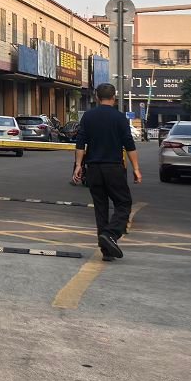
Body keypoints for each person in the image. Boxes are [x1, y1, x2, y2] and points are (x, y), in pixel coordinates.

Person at [72, 83, 142, 260]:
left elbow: (80, 143)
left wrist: (79, 165)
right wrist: (136, 169)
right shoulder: (119, 118)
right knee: (123, 203)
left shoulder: (88, 117)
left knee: (100, 208)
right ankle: (111, 234)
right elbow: (129, 145)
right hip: (114, 168)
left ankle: (106, 251)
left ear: (96, 97)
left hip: (93, 169)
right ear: (114, 97)